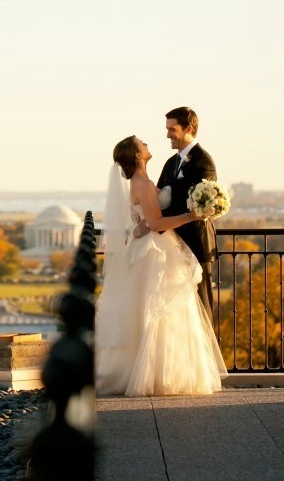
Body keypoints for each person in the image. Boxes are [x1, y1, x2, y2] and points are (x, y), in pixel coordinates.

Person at [95, 135, 227, 396]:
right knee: (158, 312)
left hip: (154, 247)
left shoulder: (144, 180)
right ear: (136, 155)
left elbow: (151, 218)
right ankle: (157, 376)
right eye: (142, 144)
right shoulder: (141, 183)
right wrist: (192, 215)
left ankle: (162, 373)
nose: (147, 145)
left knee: (160, 312)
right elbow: (155, 224)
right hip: (154, 251)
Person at [156, 106, 218, 319]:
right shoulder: (171, 163)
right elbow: (158, 197)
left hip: (196, 245)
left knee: (201, 310)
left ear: (189, 128)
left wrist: (158, 223)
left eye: (172, 129)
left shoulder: (203, 162)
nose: (167, 135)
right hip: (173, 246)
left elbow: (195, 206)